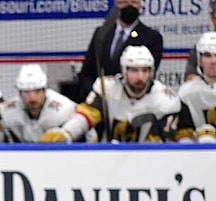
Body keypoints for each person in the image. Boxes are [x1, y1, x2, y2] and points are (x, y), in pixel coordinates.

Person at [47, 46, 181, 143]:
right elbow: (85, 115)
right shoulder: (107, 88)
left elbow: (163, 142)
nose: (140, 77)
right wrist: (66, 133)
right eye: (134, 70)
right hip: (107, 157)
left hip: (148, 161)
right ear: (123, 71)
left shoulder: (165, 100)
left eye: (145, 70)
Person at [78, 0, 163, 100]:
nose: (129, 6)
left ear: (140, 6)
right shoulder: (101, 33)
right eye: (124, 2)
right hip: (100, 101)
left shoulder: (151, 37)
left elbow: (147, 77)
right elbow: (87, 72)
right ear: (116, 5)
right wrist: (95, 93)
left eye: (134, 2)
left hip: (133, 101)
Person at [0, 64, 77, 143]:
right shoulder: (7, 111)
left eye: (37, 91)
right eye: (26, 92)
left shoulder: (65, 107)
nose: (32, 98)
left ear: (44, 91)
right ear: (20, 93)